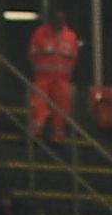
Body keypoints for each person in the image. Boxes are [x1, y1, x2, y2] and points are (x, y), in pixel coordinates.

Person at [29, 8, 82, 142]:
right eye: (56, 19)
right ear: (51, 19)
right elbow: (33, 55)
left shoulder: (71, 36)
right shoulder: (40, 34)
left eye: (61, 19)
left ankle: (58, 137)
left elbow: (74, 58)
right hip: (42, 79)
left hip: (63, 81)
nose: (59, 22)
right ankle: (36, 133)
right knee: (39, 106)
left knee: (62, 109)